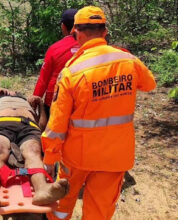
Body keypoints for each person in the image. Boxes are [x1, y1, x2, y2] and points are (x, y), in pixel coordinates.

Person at [41, 6, 156, 220]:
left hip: (77, 156)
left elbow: (57, 123)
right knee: (99, 212)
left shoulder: (72, 71)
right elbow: (149, 84)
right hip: (115, 156)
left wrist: (49, 157)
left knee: (62, 203)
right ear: (105, 32)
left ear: (76, 33)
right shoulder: (128, 60)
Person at [0, 90, 69, 207]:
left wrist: (41, 105)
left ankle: (42, 190)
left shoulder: (26, 103)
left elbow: (41, 126)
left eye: (16, 92)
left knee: (33, 151)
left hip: (29, 127)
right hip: (1, 125)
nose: (12, 92)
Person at [33, 9, 79, 118]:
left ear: (63, 26)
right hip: (83, 101)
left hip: (55, 102)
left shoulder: (55, 49)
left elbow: (43, 80)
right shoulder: (92, 48)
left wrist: (34, 102)